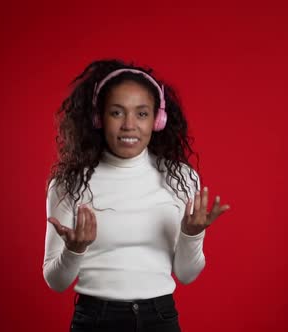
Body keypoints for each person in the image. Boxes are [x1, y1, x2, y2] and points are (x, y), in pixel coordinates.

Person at [43, 59, 229, 332]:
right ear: (98, 118)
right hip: (95, 320)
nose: (129, 125)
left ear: (158, 119)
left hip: (160, 318)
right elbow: (55, 282)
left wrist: (192, 233)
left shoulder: (181, 178)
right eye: (117, 113)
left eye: (141, 114)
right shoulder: (69, 184)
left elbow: (187, 276)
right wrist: (74, 250)